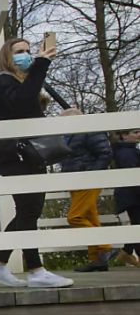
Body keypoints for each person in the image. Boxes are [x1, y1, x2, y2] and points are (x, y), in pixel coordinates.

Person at [0, 37, 73, 288]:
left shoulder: (13, 82)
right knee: (30, 208)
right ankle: (35, 269)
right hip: (15, 153)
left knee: (27, 210)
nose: (26, 54)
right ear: (6, 57)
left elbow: (27, 112)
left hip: (18, 152)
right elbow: (21, 104)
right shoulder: (2, 81)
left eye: (28, 51)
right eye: (19, 51)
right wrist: (41, 63)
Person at [57, 108, 114, 272]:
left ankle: (106, 246)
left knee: (75, 217)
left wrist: (92, 175)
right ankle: (97, 259)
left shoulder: (89, 131)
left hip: (86, 180)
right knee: (91, 217)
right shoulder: (69, 136)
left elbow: (105, 153)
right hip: (75, 181)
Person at [112, 129, 140, 266]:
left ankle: (126, 251)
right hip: (133, 195)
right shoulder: (126, 153)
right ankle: (127, 252)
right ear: (123, 135)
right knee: (138, 226)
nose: (138, 135)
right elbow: (132, 175)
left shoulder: (129, 151)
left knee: (137, 224)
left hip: (132, 195)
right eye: (135, 132)